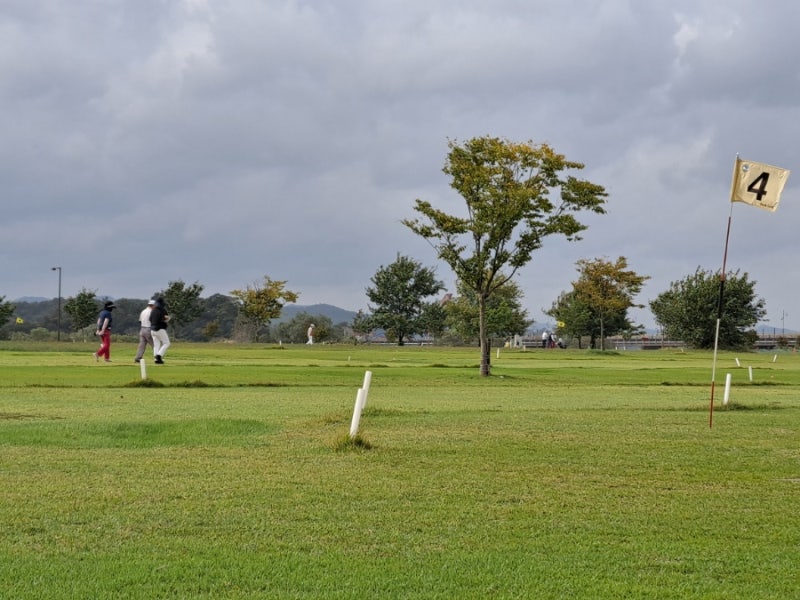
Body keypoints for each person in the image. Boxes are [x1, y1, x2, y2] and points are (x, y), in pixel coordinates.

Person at [149, 297, 171, 364]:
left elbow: (150, 319)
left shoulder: (153, 310)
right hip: (160, 329)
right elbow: (165, 318)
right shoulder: (162, 310)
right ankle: (159, 355)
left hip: (152, 329)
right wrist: (167, 319)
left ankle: (156, 359)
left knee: (156, 345)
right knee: (167, 343)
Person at [134, 299, 156, 363]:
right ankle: (157, 357)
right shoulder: (151, 312)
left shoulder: (143, 311)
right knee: (155, 344)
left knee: (142, 345)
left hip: (142, 329)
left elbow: (139, 321)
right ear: (153, 305)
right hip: (148, 329)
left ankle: (138, 358)